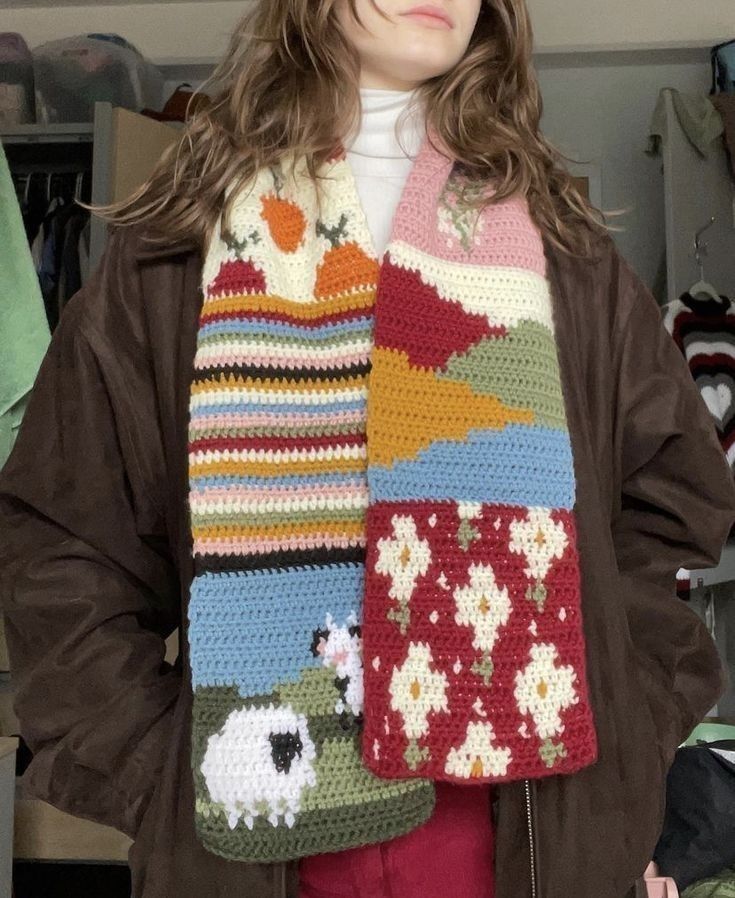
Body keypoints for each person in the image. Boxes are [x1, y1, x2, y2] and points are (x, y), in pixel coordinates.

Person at [1, 2, 734, 897]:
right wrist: (156, 776)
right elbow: (61, 550)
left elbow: (674, 507)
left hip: (528, 851)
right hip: (260, 846)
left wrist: (623, 734)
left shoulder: (562, 251)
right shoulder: (178, 250)